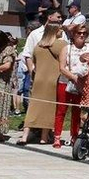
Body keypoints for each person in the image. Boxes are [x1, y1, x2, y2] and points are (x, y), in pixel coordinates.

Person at [23, 12, 65, 145]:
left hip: (38, 79)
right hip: (52, 80)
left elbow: (31, 59)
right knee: (48, 108)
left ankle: (25, 135)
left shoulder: (38, 46)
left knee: (33, 107)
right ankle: (44, 137)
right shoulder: (61, 44)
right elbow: (64, 61)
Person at [55, 22, 89, 148]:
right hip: (65, 82)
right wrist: (74, 77)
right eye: (79, 33)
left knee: (77, 111)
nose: (81, 35)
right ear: (74, 34)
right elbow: (61, 67)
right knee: (61, 110)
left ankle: (74, 136)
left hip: (82, 83)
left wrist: (82, 78)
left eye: (84, 33)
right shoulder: (67, 48)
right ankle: (57, 137)